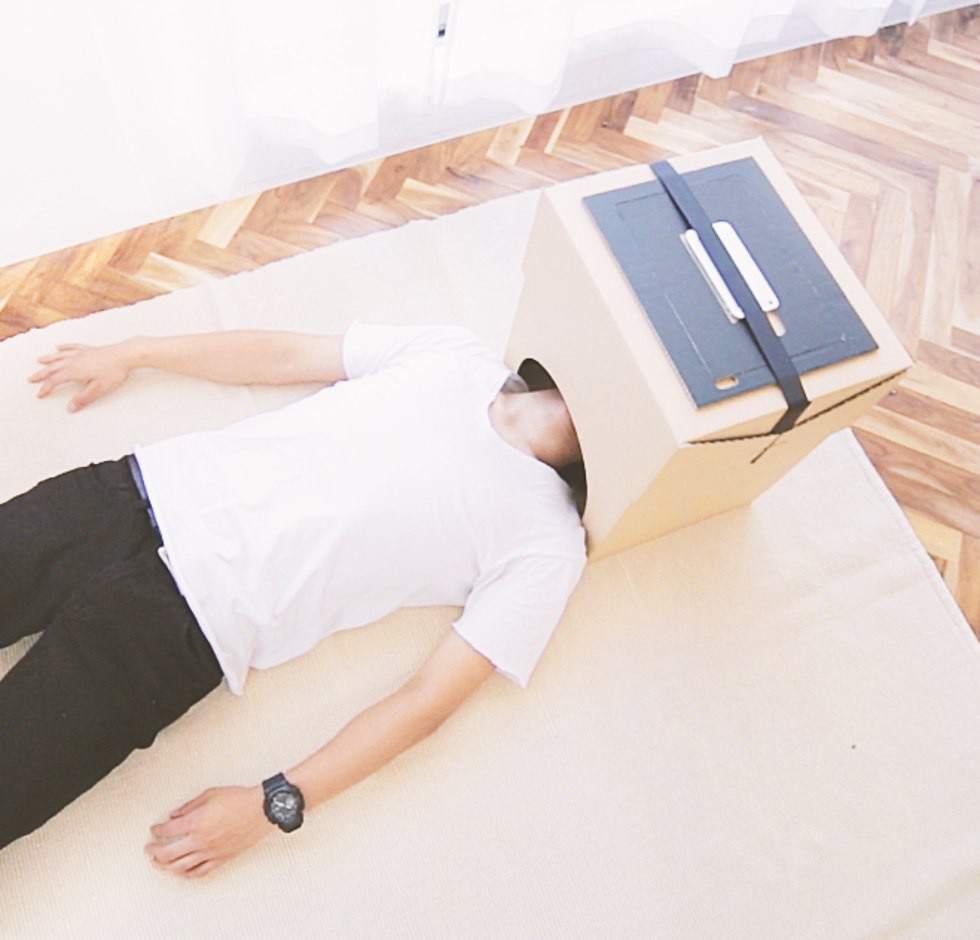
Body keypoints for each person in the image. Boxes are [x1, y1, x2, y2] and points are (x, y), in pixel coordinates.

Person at [0, 322, 587, 878]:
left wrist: (273, 803)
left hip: (184, 627)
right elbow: (284, 355)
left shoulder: (551, 542)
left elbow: (428, 698)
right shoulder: (457, 353)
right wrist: (138, 351)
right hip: (127, 496)